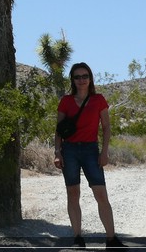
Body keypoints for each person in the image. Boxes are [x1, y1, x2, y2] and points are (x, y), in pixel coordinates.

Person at [54, 62, 125, 248]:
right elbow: (59, 130)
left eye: (85, 76)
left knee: (101, 193)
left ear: (90, 78)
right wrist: (57, 152)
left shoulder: (98, 100)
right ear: (73, 79)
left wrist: (104, 151)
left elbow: (107, 127)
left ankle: (111, 239)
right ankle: (77, 238)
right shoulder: (66, 101)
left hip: (91, 150)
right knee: (73, 193)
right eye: (77, 77)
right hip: (69, 151)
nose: (81, 80)